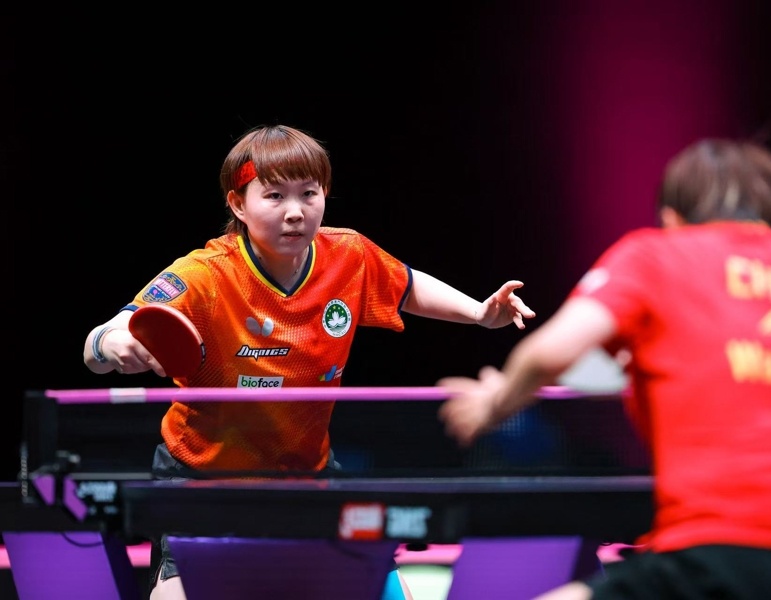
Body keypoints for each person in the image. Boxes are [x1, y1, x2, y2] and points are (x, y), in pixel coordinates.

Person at [82, 124, 536, 600]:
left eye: (309, 193)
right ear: (238, 204)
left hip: (308, 476)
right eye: (274, 196)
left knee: (384, 590)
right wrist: (111, 342)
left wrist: (479, 313)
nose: (296, 212)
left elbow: (406, 285)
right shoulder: (205, 275)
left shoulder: (348, 255)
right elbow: (101, 342)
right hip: (201, 481)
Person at [437, 138, 771, 599]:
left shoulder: (655, 255)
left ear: (673, 217)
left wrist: (495, 405)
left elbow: (550, 352)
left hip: (721, 548)